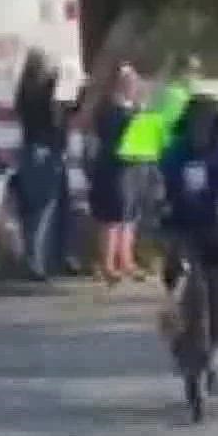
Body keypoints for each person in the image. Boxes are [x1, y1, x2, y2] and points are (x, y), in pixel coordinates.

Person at [159, 94, 218, 394]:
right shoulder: (173, 153)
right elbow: (158, 189)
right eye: (195, 124)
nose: (200, 131)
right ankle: (178, 342)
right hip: (179, 230)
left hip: (213, 232)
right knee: (172, 292)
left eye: (206, 125)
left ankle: (216, 360)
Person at [12, 48, 67, 281]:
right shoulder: (40, 91)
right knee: (43, 208)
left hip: (33, 150)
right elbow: (51, 112)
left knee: (35, 208)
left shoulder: (24, 91)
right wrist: (59, 79)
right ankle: (37, 261)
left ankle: (37, 258)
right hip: (43, 151)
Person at [86, 62, 142, 284]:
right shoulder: (108, 108)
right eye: (127, 82)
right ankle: (107, 263)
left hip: (132, 169)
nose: (132, 86)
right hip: (112, 167)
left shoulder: (134, 108)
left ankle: (126, 260)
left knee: (130, 215)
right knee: (112, 217)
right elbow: (110, 137)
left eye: (133, 82)